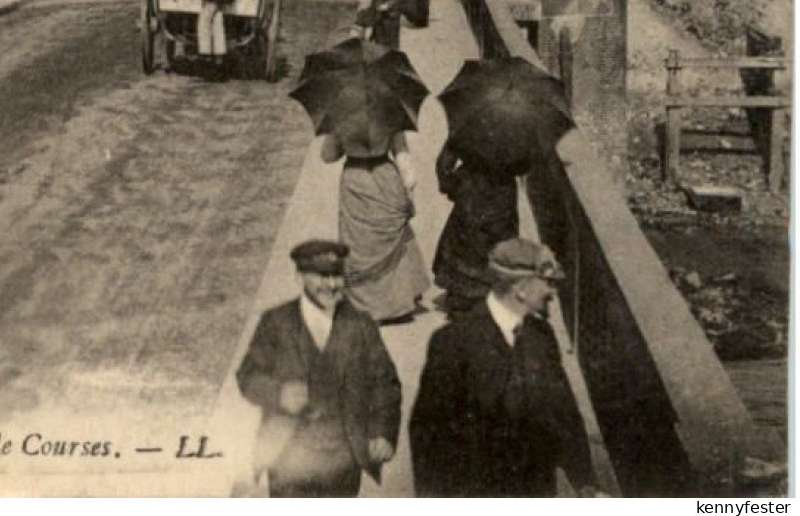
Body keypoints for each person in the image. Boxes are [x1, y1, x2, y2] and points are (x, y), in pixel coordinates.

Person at [410, 238, 599, 498]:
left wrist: (586, 482)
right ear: (521, 288)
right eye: (547, 284)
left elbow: (563, 410)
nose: (553, 293)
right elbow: (427, 433)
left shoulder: (542, 336)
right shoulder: (453, 342)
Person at [234, 240, 402, 498]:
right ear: (300, 276)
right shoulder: (276, 323)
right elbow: (247, 376)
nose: (331, 285)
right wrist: (278, 393)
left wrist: (382, 432)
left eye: (337, 276)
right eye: (321, 276)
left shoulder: (360, 325)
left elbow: (385, 383)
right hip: (288, 458)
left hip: (342, 462)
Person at [320, 130, 429, 323]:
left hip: (355, 179)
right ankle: (398, 302)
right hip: (385, 176)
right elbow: (403, 156)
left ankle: (365, 304)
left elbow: (328, 156)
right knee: (394, 240)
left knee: (358, 242)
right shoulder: (390, 113)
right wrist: (409, 192)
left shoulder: (341, 116)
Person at [431, 143, 519, 313]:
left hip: (471, 188)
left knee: (464, 239)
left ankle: (463, 294)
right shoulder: (515, 129)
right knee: (499, 237)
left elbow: (444, 163)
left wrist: (450, 186)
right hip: (502, 192)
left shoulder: (469, 124)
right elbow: (523, 165)